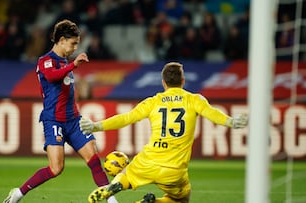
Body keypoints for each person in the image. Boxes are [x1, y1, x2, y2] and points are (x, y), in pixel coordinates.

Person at [80, 62, 248, 203]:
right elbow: (213, 114)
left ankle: (115, 186)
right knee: (182, 199)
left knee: (126, 174)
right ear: (183, 81)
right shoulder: (194, 100)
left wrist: (96, 126)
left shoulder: (153, 102)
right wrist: (231, 122)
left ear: (163, 82)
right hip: (174, 170)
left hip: (148, 161)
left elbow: (126, 118)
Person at [3, 19, 118, 203]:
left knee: (94, 160)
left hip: (73, 121)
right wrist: (73, 65)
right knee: (56, 168)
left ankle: (112, 201)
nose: (74, 48)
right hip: (54, 121)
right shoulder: (46, 61)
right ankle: (18, 193)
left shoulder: (64, 62)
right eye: (73, 44)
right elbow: (52, 77)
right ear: (62, 40)